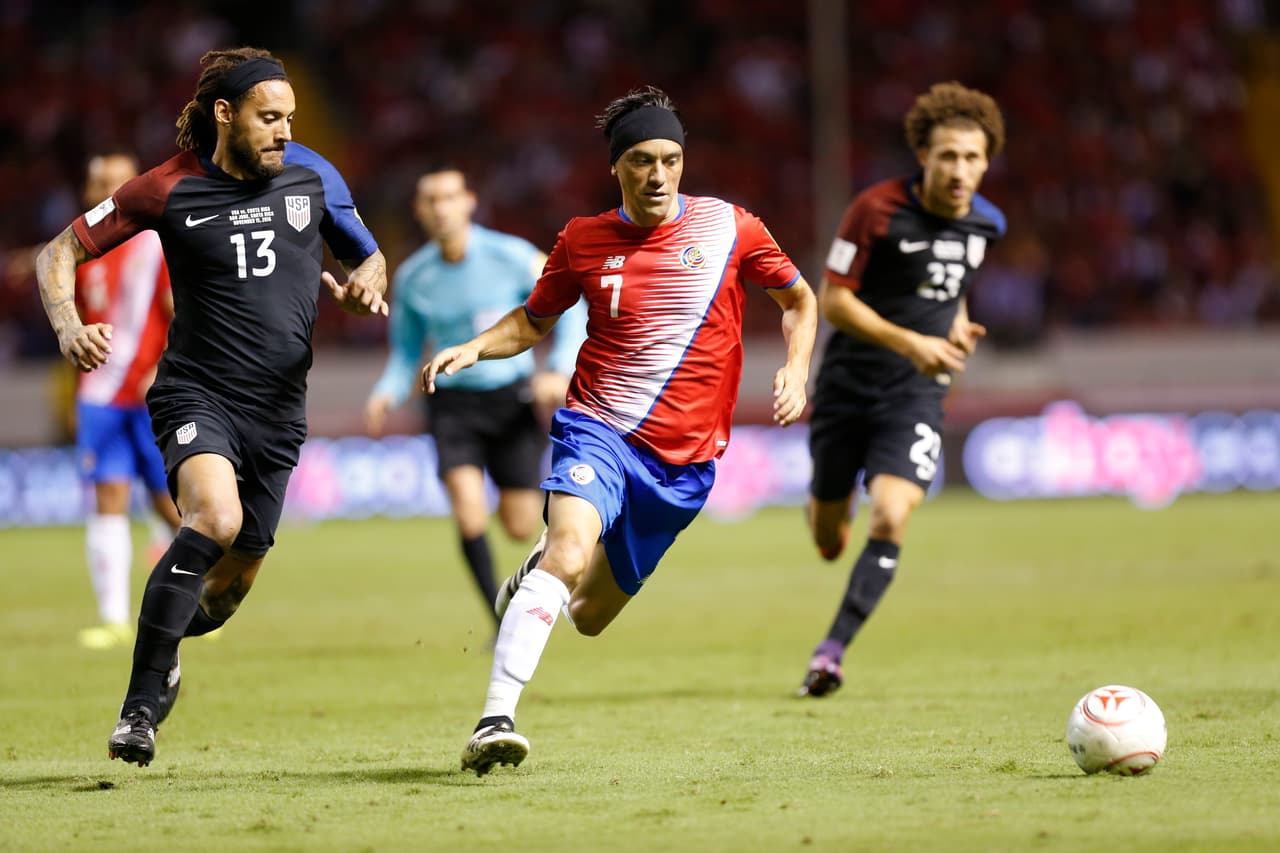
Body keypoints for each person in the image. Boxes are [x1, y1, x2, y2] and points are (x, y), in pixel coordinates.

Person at [423, 85, 818, 776]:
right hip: (597, 430)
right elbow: (532, 321)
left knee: (589, 614)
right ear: (617, 167)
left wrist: (798, 366)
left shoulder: (731, 228)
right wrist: (474, 346)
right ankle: (495, 718)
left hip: (683, 468)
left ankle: (533, 575)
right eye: (641, 160)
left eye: (669, 158)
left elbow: (799, 299)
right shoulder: (583, 239)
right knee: (569, 553)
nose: (658, 174)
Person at [34, 47, 388, 766]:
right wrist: (69, 325)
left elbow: (369, 255)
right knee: (214, 519)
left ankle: (163, 647)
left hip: (281, 411)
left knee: (228, 590)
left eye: (289, 117)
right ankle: (138, 710)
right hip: (197, 391)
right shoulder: (164, 188)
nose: (285, 132)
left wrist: (365, 283)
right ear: (224, 114)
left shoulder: (312, 173)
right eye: (269, 118)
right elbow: (57, 253)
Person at [797, 81, 1007, 697]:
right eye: (948, 156)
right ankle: (828, 506)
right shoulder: (876, 210)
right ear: (924, 155)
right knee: (829, 538)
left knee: (891, 516)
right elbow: (834, 301)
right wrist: (913, 341)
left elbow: (953, 285)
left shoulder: (987, 223)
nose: (960, 169)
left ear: (986, 161)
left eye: (972, 158)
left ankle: (831, 652)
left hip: (915, 393)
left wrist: (957, 326)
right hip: (845, 386)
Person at [365, 167, 585, 627]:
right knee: (468, 512)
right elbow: (406, 352)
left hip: (512, 400)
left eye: (449, 197)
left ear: (469, 201)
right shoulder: (414, 277)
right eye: (430, 200)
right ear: (419, 211)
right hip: (452, 406)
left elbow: (571, 305)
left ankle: (520, 593)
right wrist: (386, 392)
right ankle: (498, 619)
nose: (440, 208)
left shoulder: (512, 256)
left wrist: (558, 369)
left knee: (521, 525)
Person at [71, 152, 183, 650]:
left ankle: (201, 603)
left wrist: (165, 367)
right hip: (99, 395)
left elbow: (183, 312)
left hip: (149, 394)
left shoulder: (157, 245)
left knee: (172, 505)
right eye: (98, 181)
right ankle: (114, 618)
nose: (107, 190)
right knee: (107, 498)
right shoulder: (83, 252)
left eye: (118, 182)